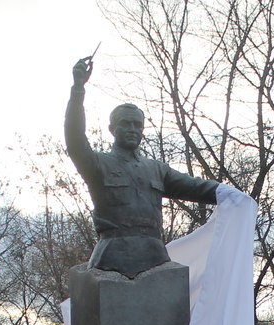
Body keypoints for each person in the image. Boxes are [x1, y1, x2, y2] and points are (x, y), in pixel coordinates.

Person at [66, 56, 222, 278]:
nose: (132, 129)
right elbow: (75, 141)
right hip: (112, 255)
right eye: (125, 124)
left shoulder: (156, 169)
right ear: (112, 129)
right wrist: (78, 90)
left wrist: (231, 195)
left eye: (137, 125)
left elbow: (197, 187)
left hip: (154, 255)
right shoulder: (99, 164)